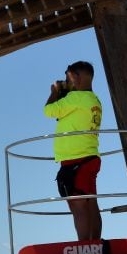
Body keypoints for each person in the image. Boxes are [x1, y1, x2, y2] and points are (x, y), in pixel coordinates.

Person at [44, 60, 103, 240]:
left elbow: (48, 111)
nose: (66, 81)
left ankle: (84, 247)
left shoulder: (74, 98)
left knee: (78, 207)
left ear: (76, 76)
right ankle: (94, 244)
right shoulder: (94, 99)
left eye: (67, 76)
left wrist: (54, 93)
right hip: (90, 157)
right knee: (91, 203)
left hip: (75, 160)